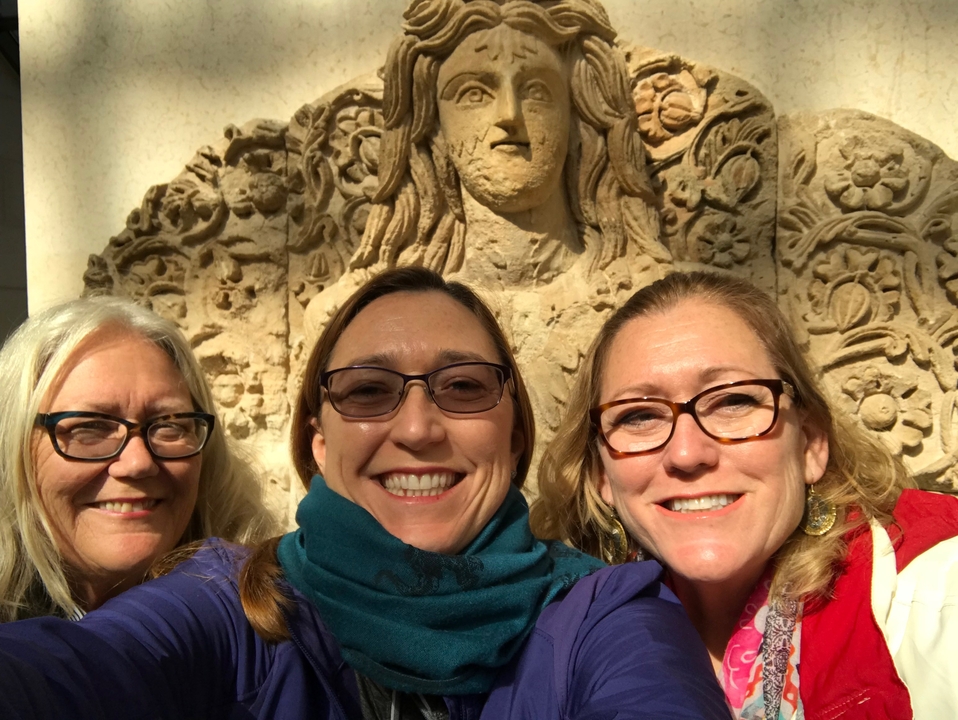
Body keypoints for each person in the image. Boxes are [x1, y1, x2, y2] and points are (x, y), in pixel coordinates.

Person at [0, 268, 729, 719]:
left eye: (464, 387)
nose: (417, 427)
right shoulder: (231, 599)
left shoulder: (605, 612)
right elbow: (74, 670)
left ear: (514, 436)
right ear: (319, 442)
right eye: (370, 391)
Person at [531, 270, 958, 719]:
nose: (687, 452)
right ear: (603, 475)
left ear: (810, 444)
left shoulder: (927, 590)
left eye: (733, 401)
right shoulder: (562, 636)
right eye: (639, 416)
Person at [0, 296, 276, 621]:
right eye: (90, 427)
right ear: (13, 445)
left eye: (169, 425)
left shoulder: (275, 623)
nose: (138, 463)